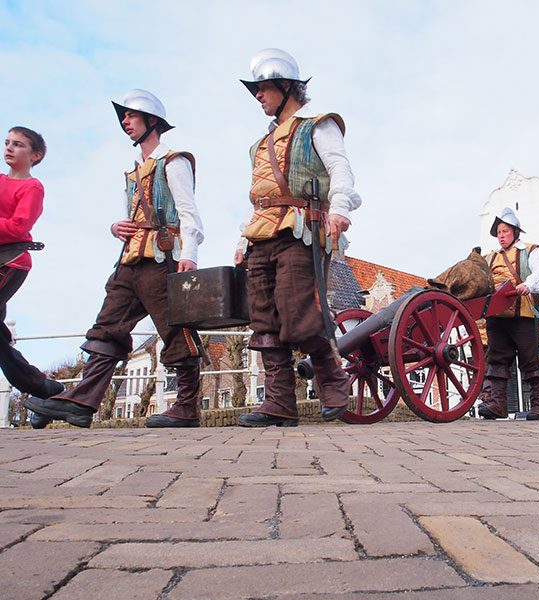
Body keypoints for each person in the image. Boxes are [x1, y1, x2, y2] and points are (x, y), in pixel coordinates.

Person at [25, 90, 205, 428]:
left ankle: (186, 407)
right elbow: (135, 213)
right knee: (107, 328)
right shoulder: (133, 168)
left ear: (152, 121)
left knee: (175, 329)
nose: (125, 122)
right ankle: (82, 402)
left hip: (162, 258)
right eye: (123, 117)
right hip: (129, 259)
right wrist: (115, 227)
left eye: (131, 116)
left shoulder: (174, 160)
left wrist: (190, 256)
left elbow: (189, 214)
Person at [235, 48, 361, 427]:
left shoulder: (318, 125)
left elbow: (340, 168)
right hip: (261, 234)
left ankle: (333, 380)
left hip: (300, 229)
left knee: (298, 311)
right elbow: (259, 196)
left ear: (287, 87)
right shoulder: (259, 145)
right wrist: (243, 239)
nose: (258, 95)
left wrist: (339, 208)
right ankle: (279, 402)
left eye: (263, 88)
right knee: (263, 319)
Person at [1, 127, 65, 428]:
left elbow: (18, 226)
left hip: (10, 264)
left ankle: (41, 387)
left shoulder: (32, 187)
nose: (10, 148)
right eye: (7, 143)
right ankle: (44, 390)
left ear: (35, 155)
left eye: (19, 145)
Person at [478, 207, 539, 420]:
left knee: (530, 360)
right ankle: (498, 404)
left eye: (505, 231)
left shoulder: (530, 250)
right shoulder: (490, 258)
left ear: (515, 232)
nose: (501, 236)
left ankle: (538, 406)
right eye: (499, 232)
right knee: (497, 359)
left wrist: (527, 284)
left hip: (523, 312)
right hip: (497, 315)